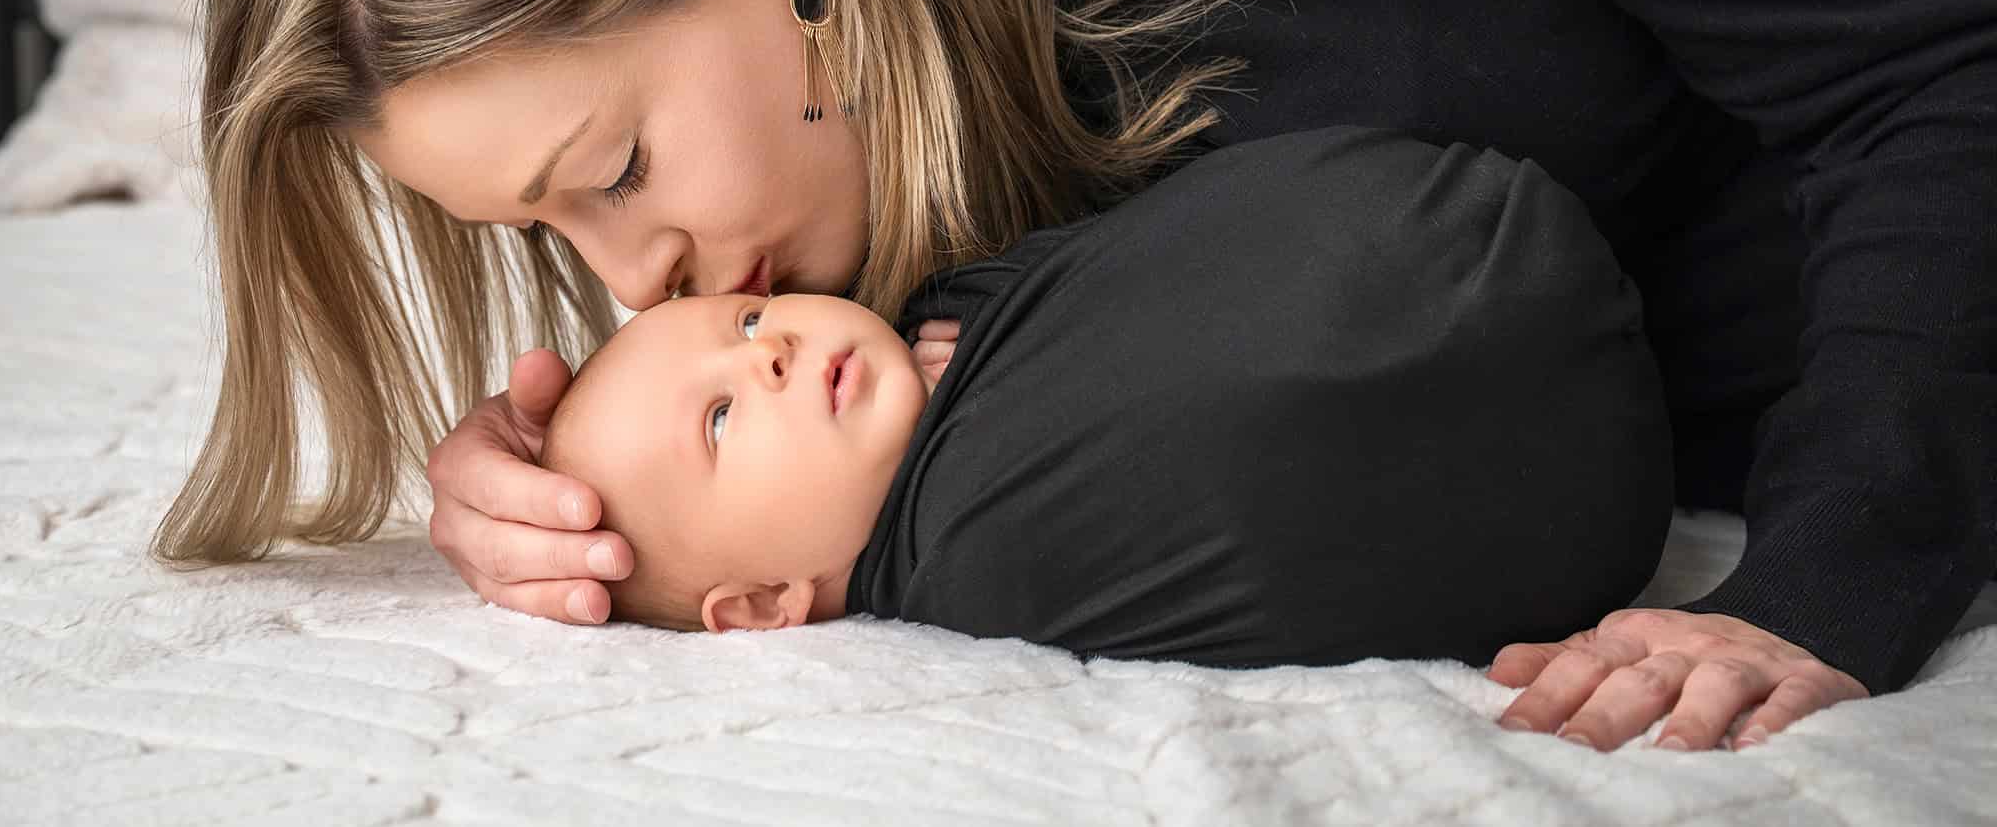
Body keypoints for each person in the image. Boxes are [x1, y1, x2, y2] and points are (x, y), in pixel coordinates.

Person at [155, 0, 1997, 755]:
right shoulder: (809, 192)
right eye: (544, 235)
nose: (642, 282)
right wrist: (575, 497)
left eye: (618, 175)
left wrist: (1825, 583)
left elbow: (1914, 73)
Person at [537, 126, 1677, 678]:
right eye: (722, 420)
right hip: (1541, 456)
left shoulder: (952, 307)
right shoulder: (970, 564)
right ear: (760, 607)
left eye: (742, 323)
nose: (770, 353)